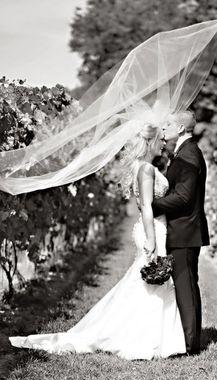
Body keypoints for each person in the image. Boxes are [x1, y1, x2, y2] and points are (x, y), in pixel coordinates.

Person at [9, 123, 187, 360]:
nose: (164, 142)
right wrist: (152, 239)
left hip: (154, 228)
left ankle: (153, 336)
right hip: (152, 229)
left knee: (147, 281)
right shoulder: (145, 169)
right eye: (160, 140)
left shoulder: (143, 167)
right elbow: (146, 206)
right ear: (150, 142)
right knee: (151, 281)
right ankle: (142, 338)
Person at [153, 110, 210, 355]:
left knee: (185, 286)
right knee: (187, 285)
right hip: (184, 230)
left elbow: (184, 197)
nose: (162, 132)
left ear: (179, 129)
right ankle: (191, 338)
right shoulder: (185, 153)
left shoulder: (188, 155)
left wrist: (152, 204)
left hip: (184, 231)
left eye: (166, 126)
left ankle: (190, 344)